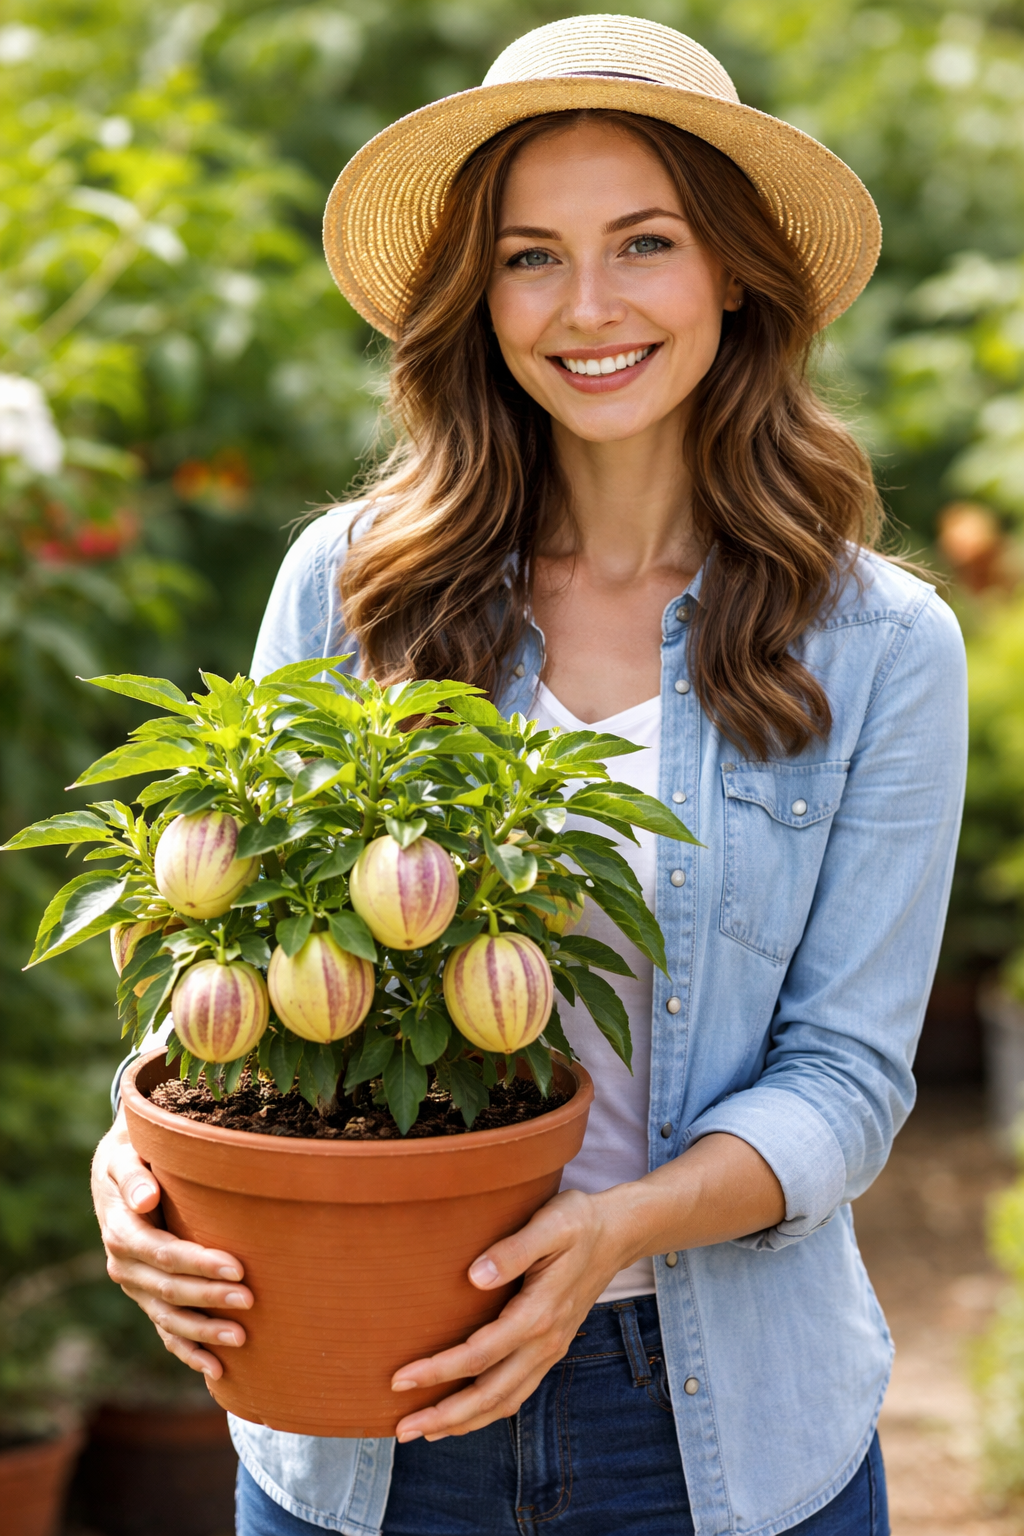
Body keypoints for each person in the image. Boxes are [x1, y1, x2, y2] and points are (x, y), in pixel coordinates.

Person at [91, 15, 966, 1536]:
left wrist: (609, 1231)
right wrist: (139, 1146)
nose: (589, 306)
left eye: (644, 243)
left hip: (705, 1431)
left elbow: (849, 1078)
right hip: (360, 1406)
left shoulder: (879, 644)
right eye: (530, 256)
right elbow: (217, 961)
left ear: (734, 271)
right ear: (477, 296)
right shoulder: (355, 585)